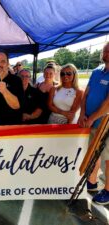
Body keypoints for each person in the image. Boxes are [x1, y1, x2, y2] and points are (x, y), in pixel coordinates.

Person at [78, 42, 109, 205]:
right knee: (93, 151)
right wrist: (83, 113)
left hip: (105, 123)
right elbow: (86, 94)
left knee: (106, 157)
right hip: (90, 121)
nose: (106, 52)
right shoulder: (97, 72)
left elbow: (107, 103)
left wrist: (91, 118)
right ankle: (92, 182)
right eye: (105, 50)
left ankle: (108, 191)